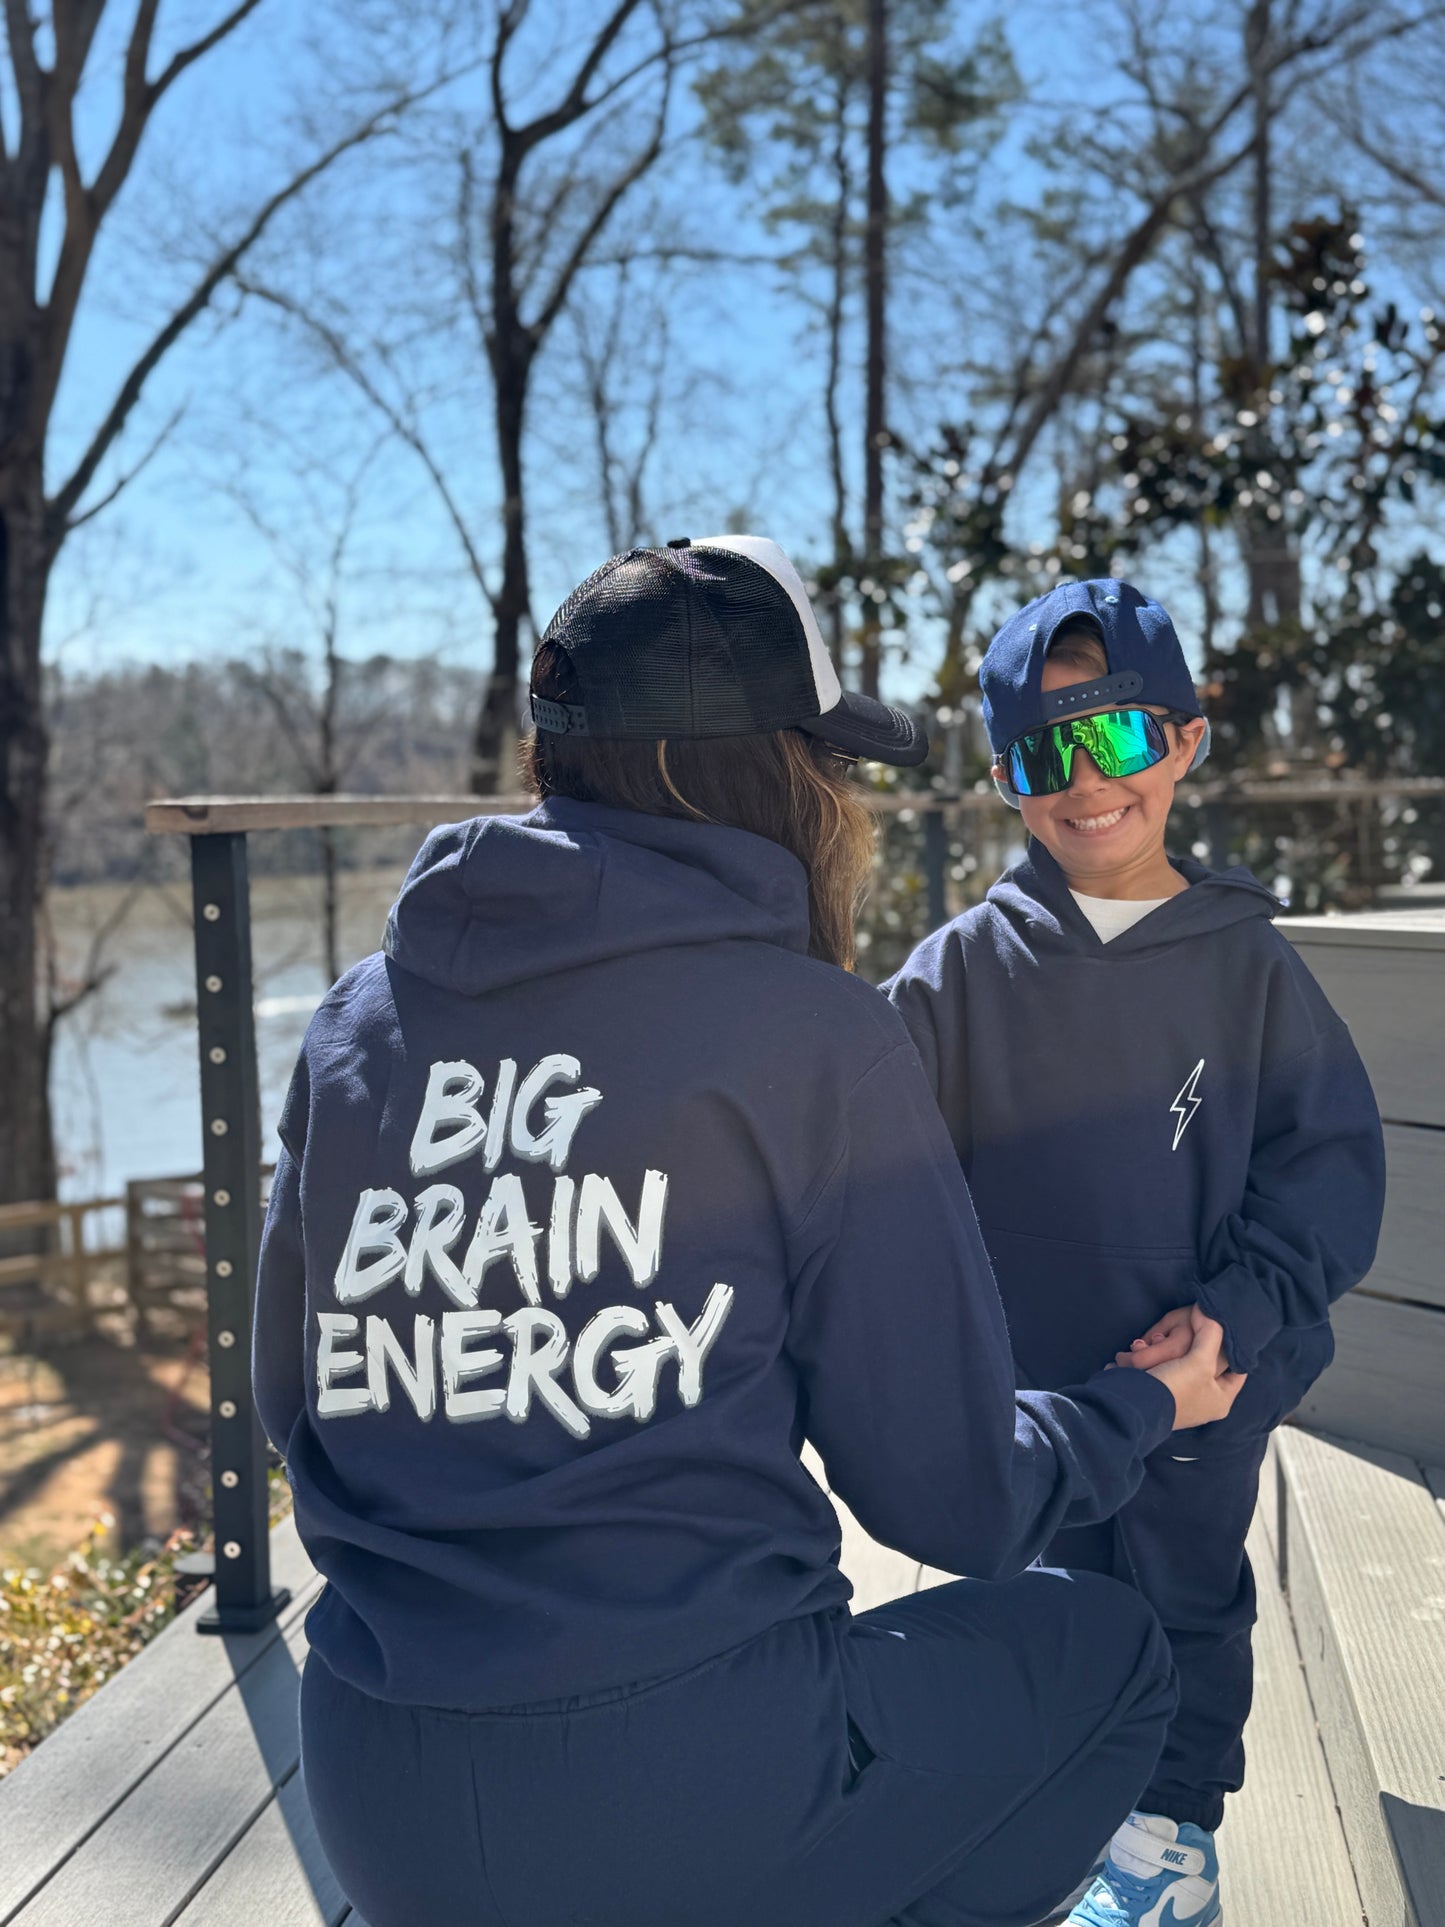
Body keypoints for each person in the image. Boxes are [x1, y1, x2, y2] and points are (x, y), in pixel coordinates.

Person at [253, 538, 1244, 1927]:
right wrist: (1136, 1407)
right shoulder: (814, 1040)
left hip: (375, 1793)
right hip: (691, 1791)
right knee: (1111, 1655)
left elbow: (289, 1403)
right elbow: (953, 1502)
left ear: (551, 758)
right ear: (783, 777)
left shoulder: (357, 1020)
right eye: (828, 764)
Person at [886, 578, 1386, 1927]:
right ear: (1005, 776)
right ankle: (1040, 1827)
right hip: (1032, 1393)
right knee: (1035, 1609)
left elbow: (1326, 1169)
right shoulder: (953, 977)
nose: (1086, 784)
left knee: (1181, 1602)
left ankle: (1165, 1848)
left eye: (1115, 741)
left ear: (1181, 741)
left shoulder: (1246, 964)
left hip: (1201, 1384)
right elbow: (862, 1160)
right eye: (1047, 753)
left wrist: (1235, 1319)